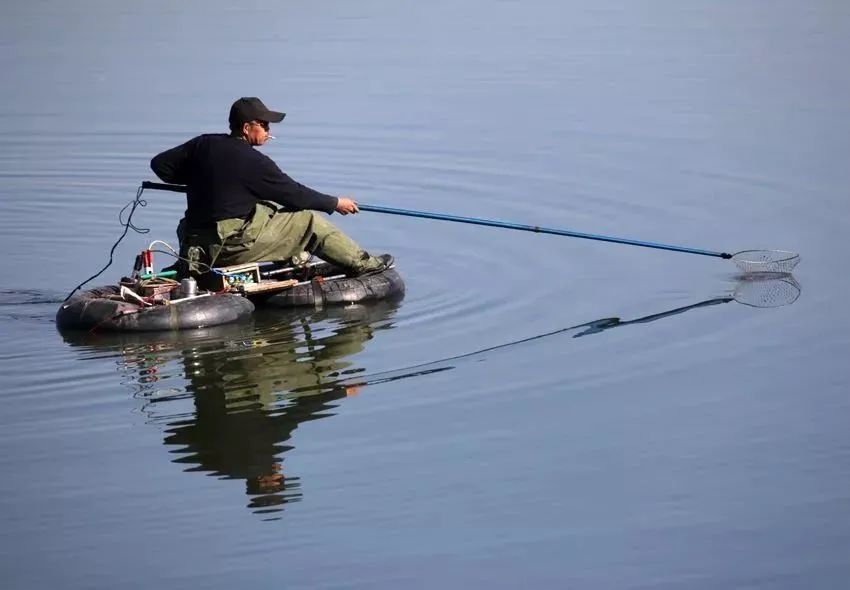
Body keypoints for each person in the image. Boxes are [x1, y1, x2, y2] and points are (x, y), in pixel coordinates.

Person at [150, 97, 392, 276]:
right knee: (308, 220)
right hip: (228, 248)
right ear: (247, 128)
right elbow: (296, 196)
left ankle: (290, 257)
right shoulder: (255, 162)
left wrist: (202, 179)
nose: (269, 130)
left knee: (267, 206)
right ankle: (362, 263)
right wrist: (336, 203)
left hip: (196, 245)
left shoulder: (203, 144)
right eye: (264, 125)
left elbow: (160, 165)